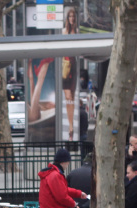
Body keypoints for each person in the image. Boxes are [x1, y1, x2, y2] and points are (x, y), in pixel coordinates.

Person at [62, 8, 78, 141]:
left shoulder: (77, 31)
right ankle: (70, 127)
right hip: (65, 65)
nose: (71, 18)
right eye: (70, 16)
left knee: (71, 97)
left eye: (73, 16)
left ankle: (71, 126)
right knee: (67, 96)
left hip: (73, 65)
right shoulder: (64, 31)